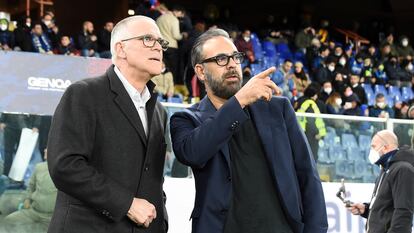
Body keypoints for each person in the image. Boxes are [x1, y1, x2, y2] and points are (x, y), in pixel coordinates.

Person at [170, 28, 327, 233]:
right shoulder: (187, 119)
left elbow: (307, 174)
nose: (232, 65)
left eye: (235, 57)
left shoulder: (277, 108)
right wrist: (240, 101)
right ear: (200, 71)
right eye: (221, 59)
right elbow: (193, 153)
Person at [47, 15, 169, 233]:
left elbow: (152, 178)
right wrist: (127, 204)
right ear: (121, 49)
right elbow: (65, 166)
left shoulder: (159, 111)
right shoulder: (83, 93)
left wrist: (162, 221)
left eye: (161, 42)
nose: (158, 47)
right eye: (148, 39)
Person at [346, 130, 414, 233]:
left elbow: (403, 212)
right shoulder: (386, 169)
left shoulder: (402, 169)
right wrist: (366, 209)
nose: (371, 150)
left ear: (386, 147)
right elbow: (386, 209)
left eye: (373, 146)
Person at [0, 149, 57, 232]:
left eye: (48, 148)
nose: (44, 150)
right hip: (34, 211)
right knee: (9, 220)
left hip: (52, 216)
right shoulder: (39, 167)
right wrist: (27, 199)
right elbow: (30, 187)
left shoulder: (62, 170)